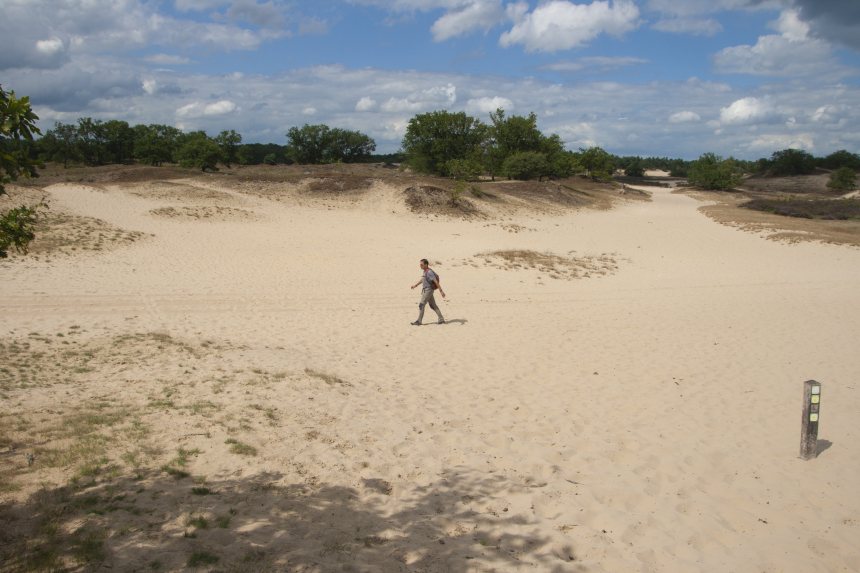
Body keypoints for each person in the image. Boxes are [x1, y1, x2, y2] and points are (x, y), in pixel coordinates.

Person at [410, 258, 445, 325]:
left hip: (428, 290)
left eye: (422, 265)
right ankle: (441, 319)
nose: (420, 266)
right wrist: (415, 285)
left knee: (421, 304)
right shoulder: (425, 271)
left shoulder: (429, 272)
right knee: (433, 305)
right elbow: (423, 279)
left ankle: (419, 321)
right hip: (427, 290)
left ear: (426, 264)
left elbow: (436, 282)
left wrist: (441, 291)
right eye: (420, 264)